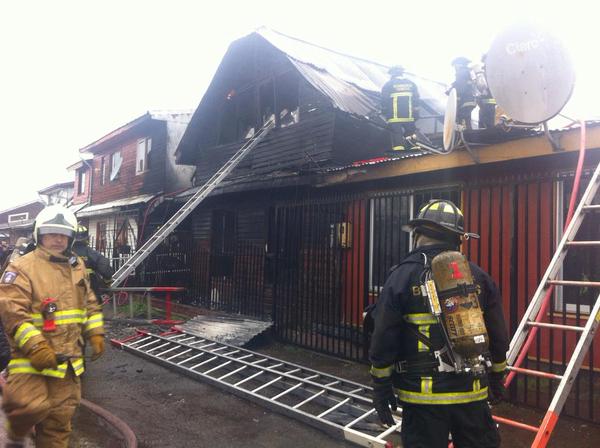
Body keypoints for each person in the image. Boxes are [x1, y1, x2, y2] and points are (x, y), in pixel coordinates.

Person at [369, 199, 509, 448]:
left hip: (423, 401)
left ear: (418, 234)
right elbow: (498, 334)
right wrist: (498, 376)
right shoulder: (478, 276)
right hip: (472, 395)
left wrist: (381, 385)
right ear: (459, 239)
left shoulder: (401, 276)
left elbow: (384, 335)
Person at [0, 205, 105, 448]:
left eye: (63, 234)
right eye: (51, 233)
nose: (58, 239)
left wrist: (96, 332)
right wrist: (36, 348)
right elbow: (13, 313)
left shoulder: (76, 265)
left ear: (70, 237)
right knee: (28, 409)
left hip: (67, 363)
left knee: (59, 422)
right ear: (39, 235)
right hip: (30, 360)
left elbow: (89, 302)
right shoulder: (21, 268)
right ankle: (16, 439)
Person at [381, 65, 420, 153]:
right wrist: (416, 113)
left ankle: (399, 150)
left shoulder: (389, 84)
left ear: (392, 74)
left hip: (394, 116)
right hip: (409, 116)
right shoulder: (412, 84)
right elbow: (416, 99)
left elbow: (384, 99)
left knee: (396, 133)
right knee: (410, 132)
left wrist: (384, 110)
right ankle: (413, 147)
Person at [72, 224, 114, 301]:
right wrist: (107, 283)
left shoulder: (65, 253)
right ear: (86, 238)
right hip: (91, 289)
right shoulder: (92, 253)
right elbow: (105, 269)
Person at [449, 57, 477, 130]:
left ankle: (465, 137)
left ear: (459, 65)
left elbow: (461, 88)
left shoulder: (460, 72)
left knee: (461, 118)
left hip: (464, 100)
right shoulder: (468, 71)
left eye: (455, 65)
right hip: (471, 100)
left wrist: (455, 97)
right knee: (467, 120)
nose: (455, 68)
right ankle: (470, 135)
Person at [474, 54, 497, 129]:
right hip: (485, 106)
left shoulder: (494, 73)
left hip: (491, 106)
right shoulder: (483, 74)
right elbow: (480, 87)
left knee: (488, 126)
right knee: (485, 126)